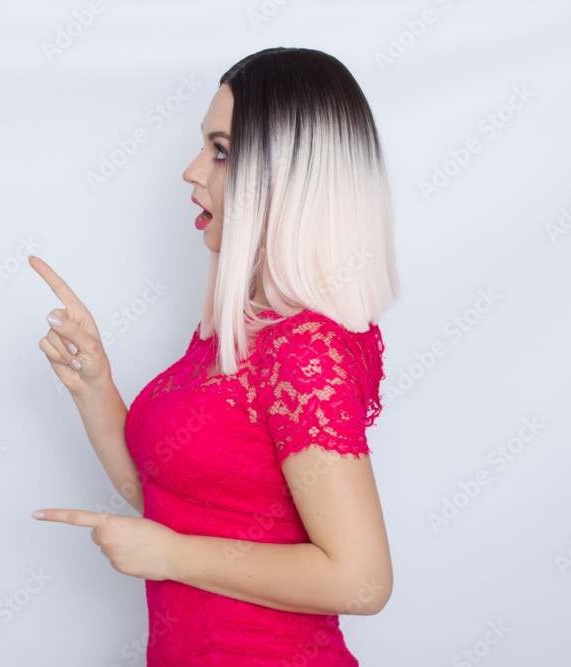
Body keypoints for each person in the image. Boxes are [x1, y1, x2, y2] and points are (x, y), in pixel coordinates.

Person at [29, 46, 399, 665]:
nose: (191, 170)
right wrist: (93, 388)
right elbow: (168, 500)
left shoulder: (307, 350)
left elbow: (361, 578)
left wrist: (170, 557)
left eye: (220, 150)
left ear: (288, 176)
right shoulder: (235, 334)